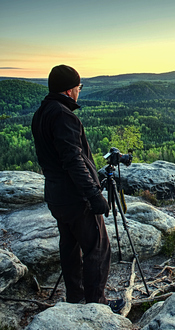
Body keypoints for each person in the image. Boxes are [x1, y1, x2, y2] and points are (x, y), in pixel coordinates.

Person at [32, 65, 124, 313]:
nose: (79, 92)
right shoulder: (63, 115)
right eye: (79, 87)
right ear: (70, 89)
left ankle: (75, 299)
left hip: (56, 196)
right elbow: (72, 159)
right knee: (98, 248)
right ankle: (97, 306)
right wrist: (93, 195)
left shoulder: (42, 112)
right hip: (75, 197)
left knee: (70, 246)